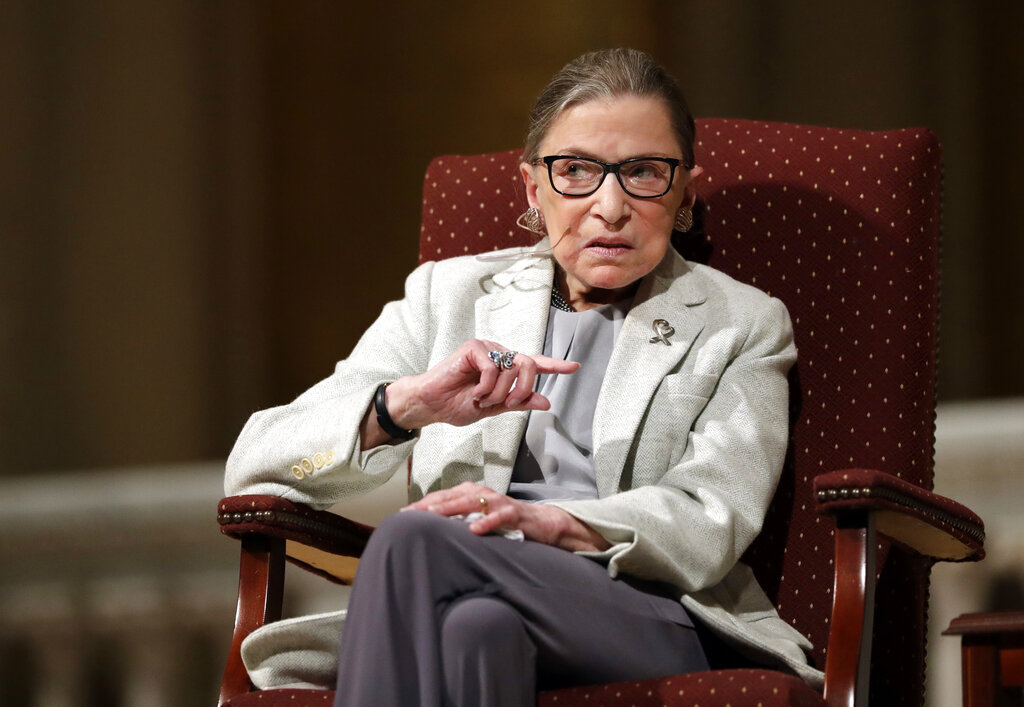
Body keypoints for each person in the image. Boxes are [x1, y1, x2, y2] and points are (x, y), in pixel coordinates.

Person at [226, 48, 823, 706]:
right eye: (575, 172)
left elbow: (711, 517)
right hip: (469, 596)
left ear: (683, 188)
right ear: (533, 188)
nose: (610, 205)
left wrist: (549, 520)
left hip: (657, 611)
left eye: (644, 173)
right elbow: (257, 463)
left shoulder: (740, 321)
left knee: (414, 537)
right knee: (478, 632)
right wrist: (410, 404)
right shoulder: (447, 297)